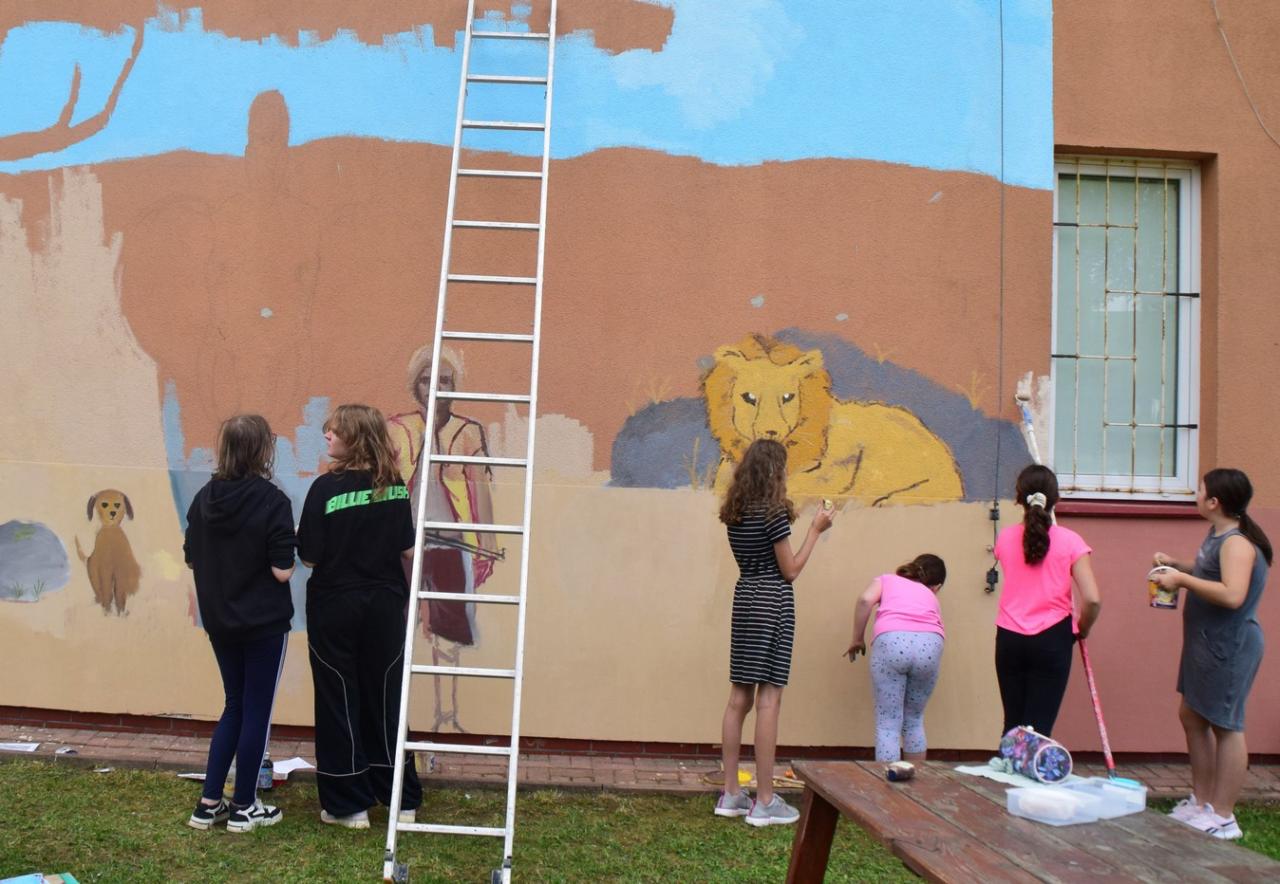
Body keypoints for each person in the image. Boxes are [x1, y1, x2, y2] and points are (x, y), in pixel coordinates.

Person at [298, 404, 423, 828]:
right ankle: (401, 800)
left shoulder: (324, 489)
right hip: (384, 607)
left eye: (334, 431)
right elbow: (408, 548)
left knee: (338, 698)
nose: (327, 436)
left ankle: (349, 805)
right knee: (386, 697)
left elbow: (310, 558)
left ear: (354, 437)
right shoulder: (395, 486)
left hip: (335, 607)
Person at [184, 414, 295, 832]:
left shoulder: (204, 499)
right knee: (256, 712)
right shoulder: (272, 500)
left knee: (234, 705)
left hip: (220, 622)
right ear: (263, 450)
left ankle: (208, 803)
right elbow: (282, 571)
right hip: (264, 623)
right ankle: (245, 806)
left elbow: (192, 557)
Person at [714, 439, 834, 826]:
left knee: (738, 698)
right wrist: (815, 530)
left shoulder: (735, 511)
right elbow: (790, 570)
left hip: (745, 597)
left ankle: (731, 793)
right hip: (772, 600)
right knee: (769, 699)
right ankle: (765, 801)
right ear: (775, 471)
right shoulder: (773, 513)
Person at [1151, 468, 1271, 840]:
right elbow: (1211, 573)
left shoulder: (1237, 543)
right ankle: (1202, 802)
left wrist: (1182, 580)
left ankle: (1223, 816)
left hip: (1229, 647)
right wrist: (1178, 565)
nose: (1197, 494)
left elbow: (1232, 594)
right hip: (1206, 644)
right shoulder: (1217, 534)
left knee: (1226, 725)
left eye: (1201, 489)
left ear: (1215, 501)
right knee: (1192, 715)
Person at [387, 345, 498, 732]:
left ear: (455, 386)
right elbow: (383, 484)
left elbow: (480, 489)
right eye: (426, 379)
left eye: (445, 380)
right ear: (414, 386)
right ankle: (394, 720)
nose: (435, 386)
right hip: (404, 545)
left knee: (448, 637)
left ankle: (446, 718)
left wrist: (486, 545)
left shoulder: (467, 432)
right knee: (397, 631)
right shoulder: (397, 428)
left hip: (451, 544)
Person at [993, 464, 1101, 737]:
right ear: (1056, 499)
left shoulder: (1004, 538)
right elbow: (1092, 599)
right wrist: (1082, 628)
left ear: (1018, 498)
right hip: (1052, 637)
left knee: (1013, 724)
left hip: (1009, 638)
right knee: (1038, 730)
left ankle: (1008, 765)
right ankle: (1031, 764)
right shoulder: (1071, 541)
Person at [846, 554, 947, 762]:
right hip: (930, 644)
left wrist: (857, 638)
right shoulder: (932, 596)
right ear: (937, 586)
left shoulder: (887, 580)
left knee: (888, 723)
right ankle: (916, 779)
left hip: (892, 641)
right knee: (914, 719)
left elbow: (865, 600)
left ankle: (888, 781)